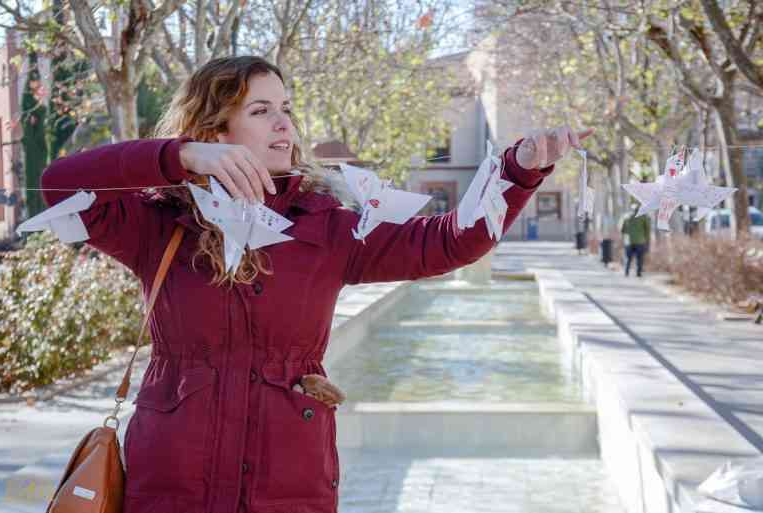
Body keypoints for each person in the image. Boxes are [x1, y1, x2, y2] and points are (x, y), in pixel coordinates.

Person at [40, 55, 591, 513]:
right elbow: (59, 184)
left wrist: (518, 173)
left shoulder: (328, 227)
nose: (284, 124)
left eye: (286, 109)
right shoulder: (157, 224)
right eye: (261, 111)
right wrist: (179, 157)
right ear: (214, 131)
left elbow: (449, 242)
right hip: (172, 484)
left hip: (289, 482)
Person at [620, 203, 651, 277]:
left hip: (628, 241)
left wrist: (626, 235)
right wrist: (647, 240)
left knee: (628, 258)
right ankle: (638, 273)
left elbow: (622, 229)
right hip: (640, 241)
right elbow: (647, 230)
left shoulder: (626, 217)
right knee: (639, 258)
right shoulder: (643, 217)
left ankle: (626, 271)